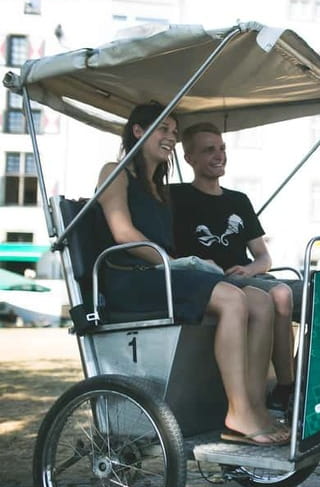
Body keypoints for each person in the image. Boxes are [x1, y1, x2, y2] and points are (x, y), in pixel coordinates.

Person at [95, 103, 288, 446]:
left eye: (173, 130)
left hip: (160, 274)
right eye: (162, 129)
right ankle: (238, 411)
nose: (170, 136)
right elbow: (122, 232)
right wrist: (174, 262)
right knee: (232, 299)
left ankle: (257, 405)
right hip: (132, 277)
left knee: (259, 300)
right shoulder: (117, 171)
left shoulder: (160, 187)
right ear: (138, 131)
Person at [171, 122, 295, 417]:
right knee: (280, 295)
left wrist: (250, 270)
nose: (219, 156)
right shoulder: (177, 198)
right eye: (209, 150)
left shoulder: (238, 200)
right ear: (190, 158)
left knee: (309, 292)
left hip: (246, 278)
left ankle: (292, 383)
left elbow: (264, 257)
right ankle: (284, 391)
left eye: (222, 148)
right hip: (209, 282)